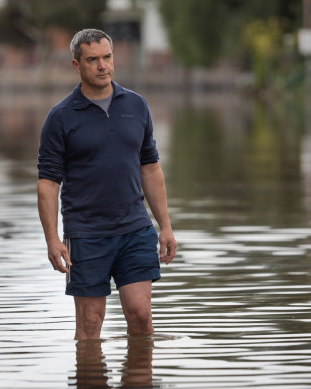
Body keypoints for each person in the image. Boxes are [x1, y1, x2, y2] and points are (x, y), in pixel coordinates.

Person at [37, 29, 177, 340]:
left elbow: (151, 168)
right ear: (77, 66)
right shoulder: (60, 117)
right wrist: (52, 238)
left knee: (141, 316)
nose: (102, 66)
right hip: (86, 234)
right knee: (90, 324)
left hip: (135, 229)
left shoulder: (137, 105)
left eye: (107, 57)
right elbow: (47, 182)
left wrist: (165, 225)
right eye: (93, 60)